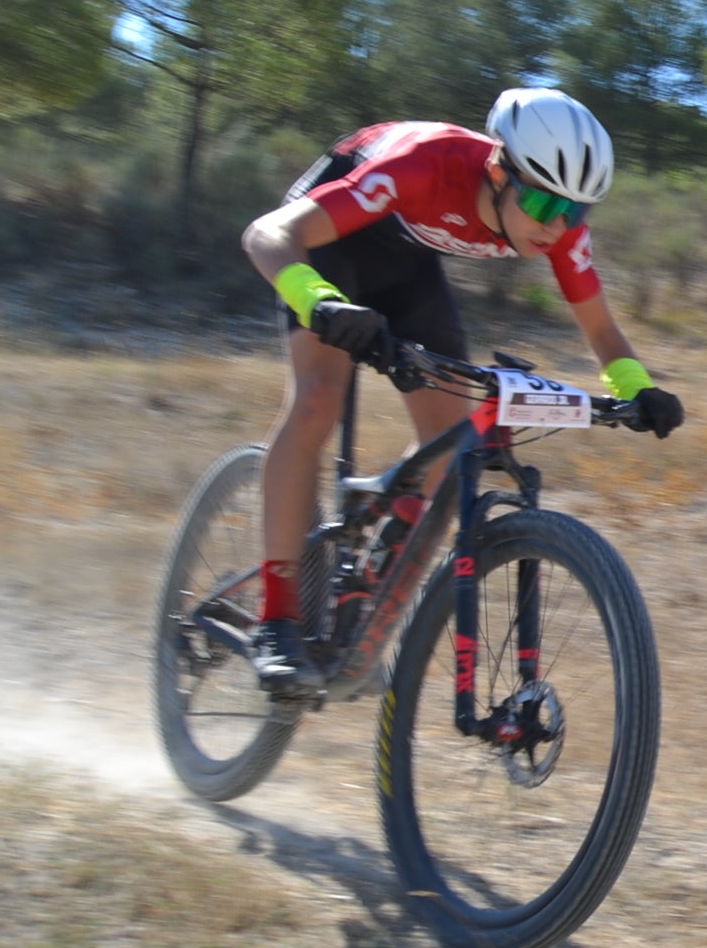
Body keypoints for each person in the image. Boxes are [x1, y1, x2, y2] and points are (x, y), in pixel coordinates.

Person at [239, 87, 683, 693]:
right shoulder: (425, 164)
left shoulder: (555, 224)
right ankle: (277, 621)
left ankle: (364, 602)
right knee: (318, 400)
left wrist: (639, 389)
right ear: (499, 170)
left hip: (407, 259)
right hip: (326, 241)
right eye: (540, 201)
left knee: (451, 448)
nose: (556, 227)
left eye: (575, 213)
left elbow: (601, 329)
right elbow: (266, 235)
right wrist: (321, 304)